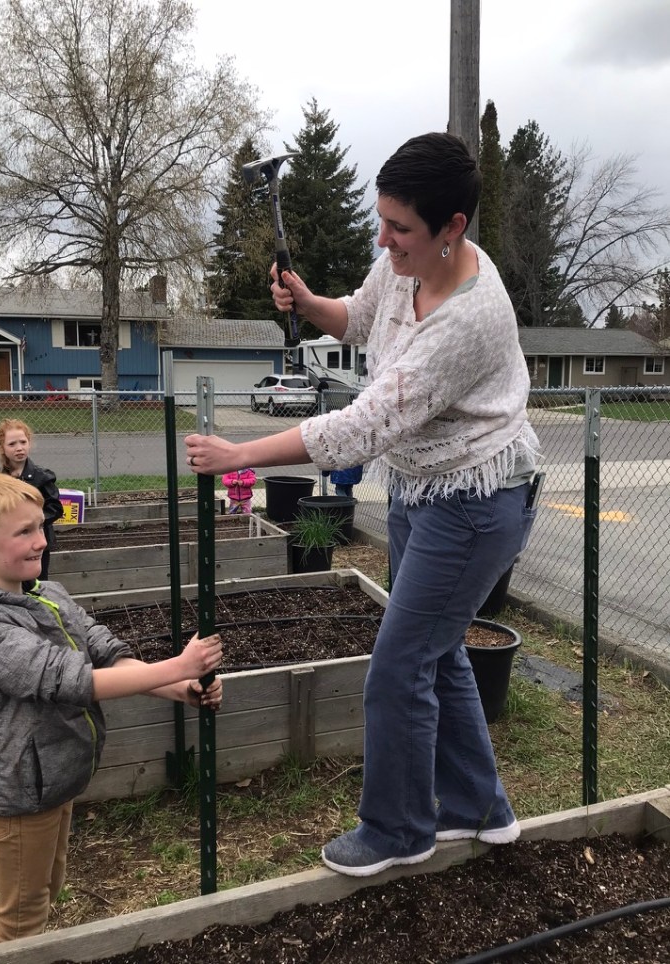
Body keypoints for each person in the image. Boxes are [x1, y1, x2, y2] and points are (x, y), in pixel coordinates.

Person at [185, 132, 540, 878]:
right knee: (437, 654)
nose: (383, 239)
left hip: (474, 503)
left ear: (452, 227)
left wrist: (239, 454)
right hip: (420, 486)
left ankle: (397, 829)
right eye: (382, 220)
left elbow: (360, 428)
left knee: (398, 669)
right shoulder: (404, 264)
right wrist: (309, 301)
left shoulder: (470, 318)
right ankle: (480, 810)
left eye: (399, 227)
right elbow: (357, 318)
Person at [0, 470, 223, 942]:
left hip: (53, 776)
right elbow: (69, 679)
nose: (41, 541)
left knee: (47, 886)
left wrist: (177, 688)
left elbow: (104, 652)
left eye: (40, 526)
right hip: (16, 789)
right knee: (22, 915)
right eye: (24, 532)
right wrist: (179, 666)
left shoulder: (48, 594)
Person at [0, 418, 63, 581]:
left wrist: (31, 523)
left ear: (29, 443)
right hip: (10, 542)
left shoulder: (42, 477)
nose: (19, 448)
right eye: (12, 444)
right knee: (12, 581)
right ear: (2, 448)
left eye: (23, 442)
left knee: (37, 583)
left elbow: (55, 508)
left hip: (37, 541)